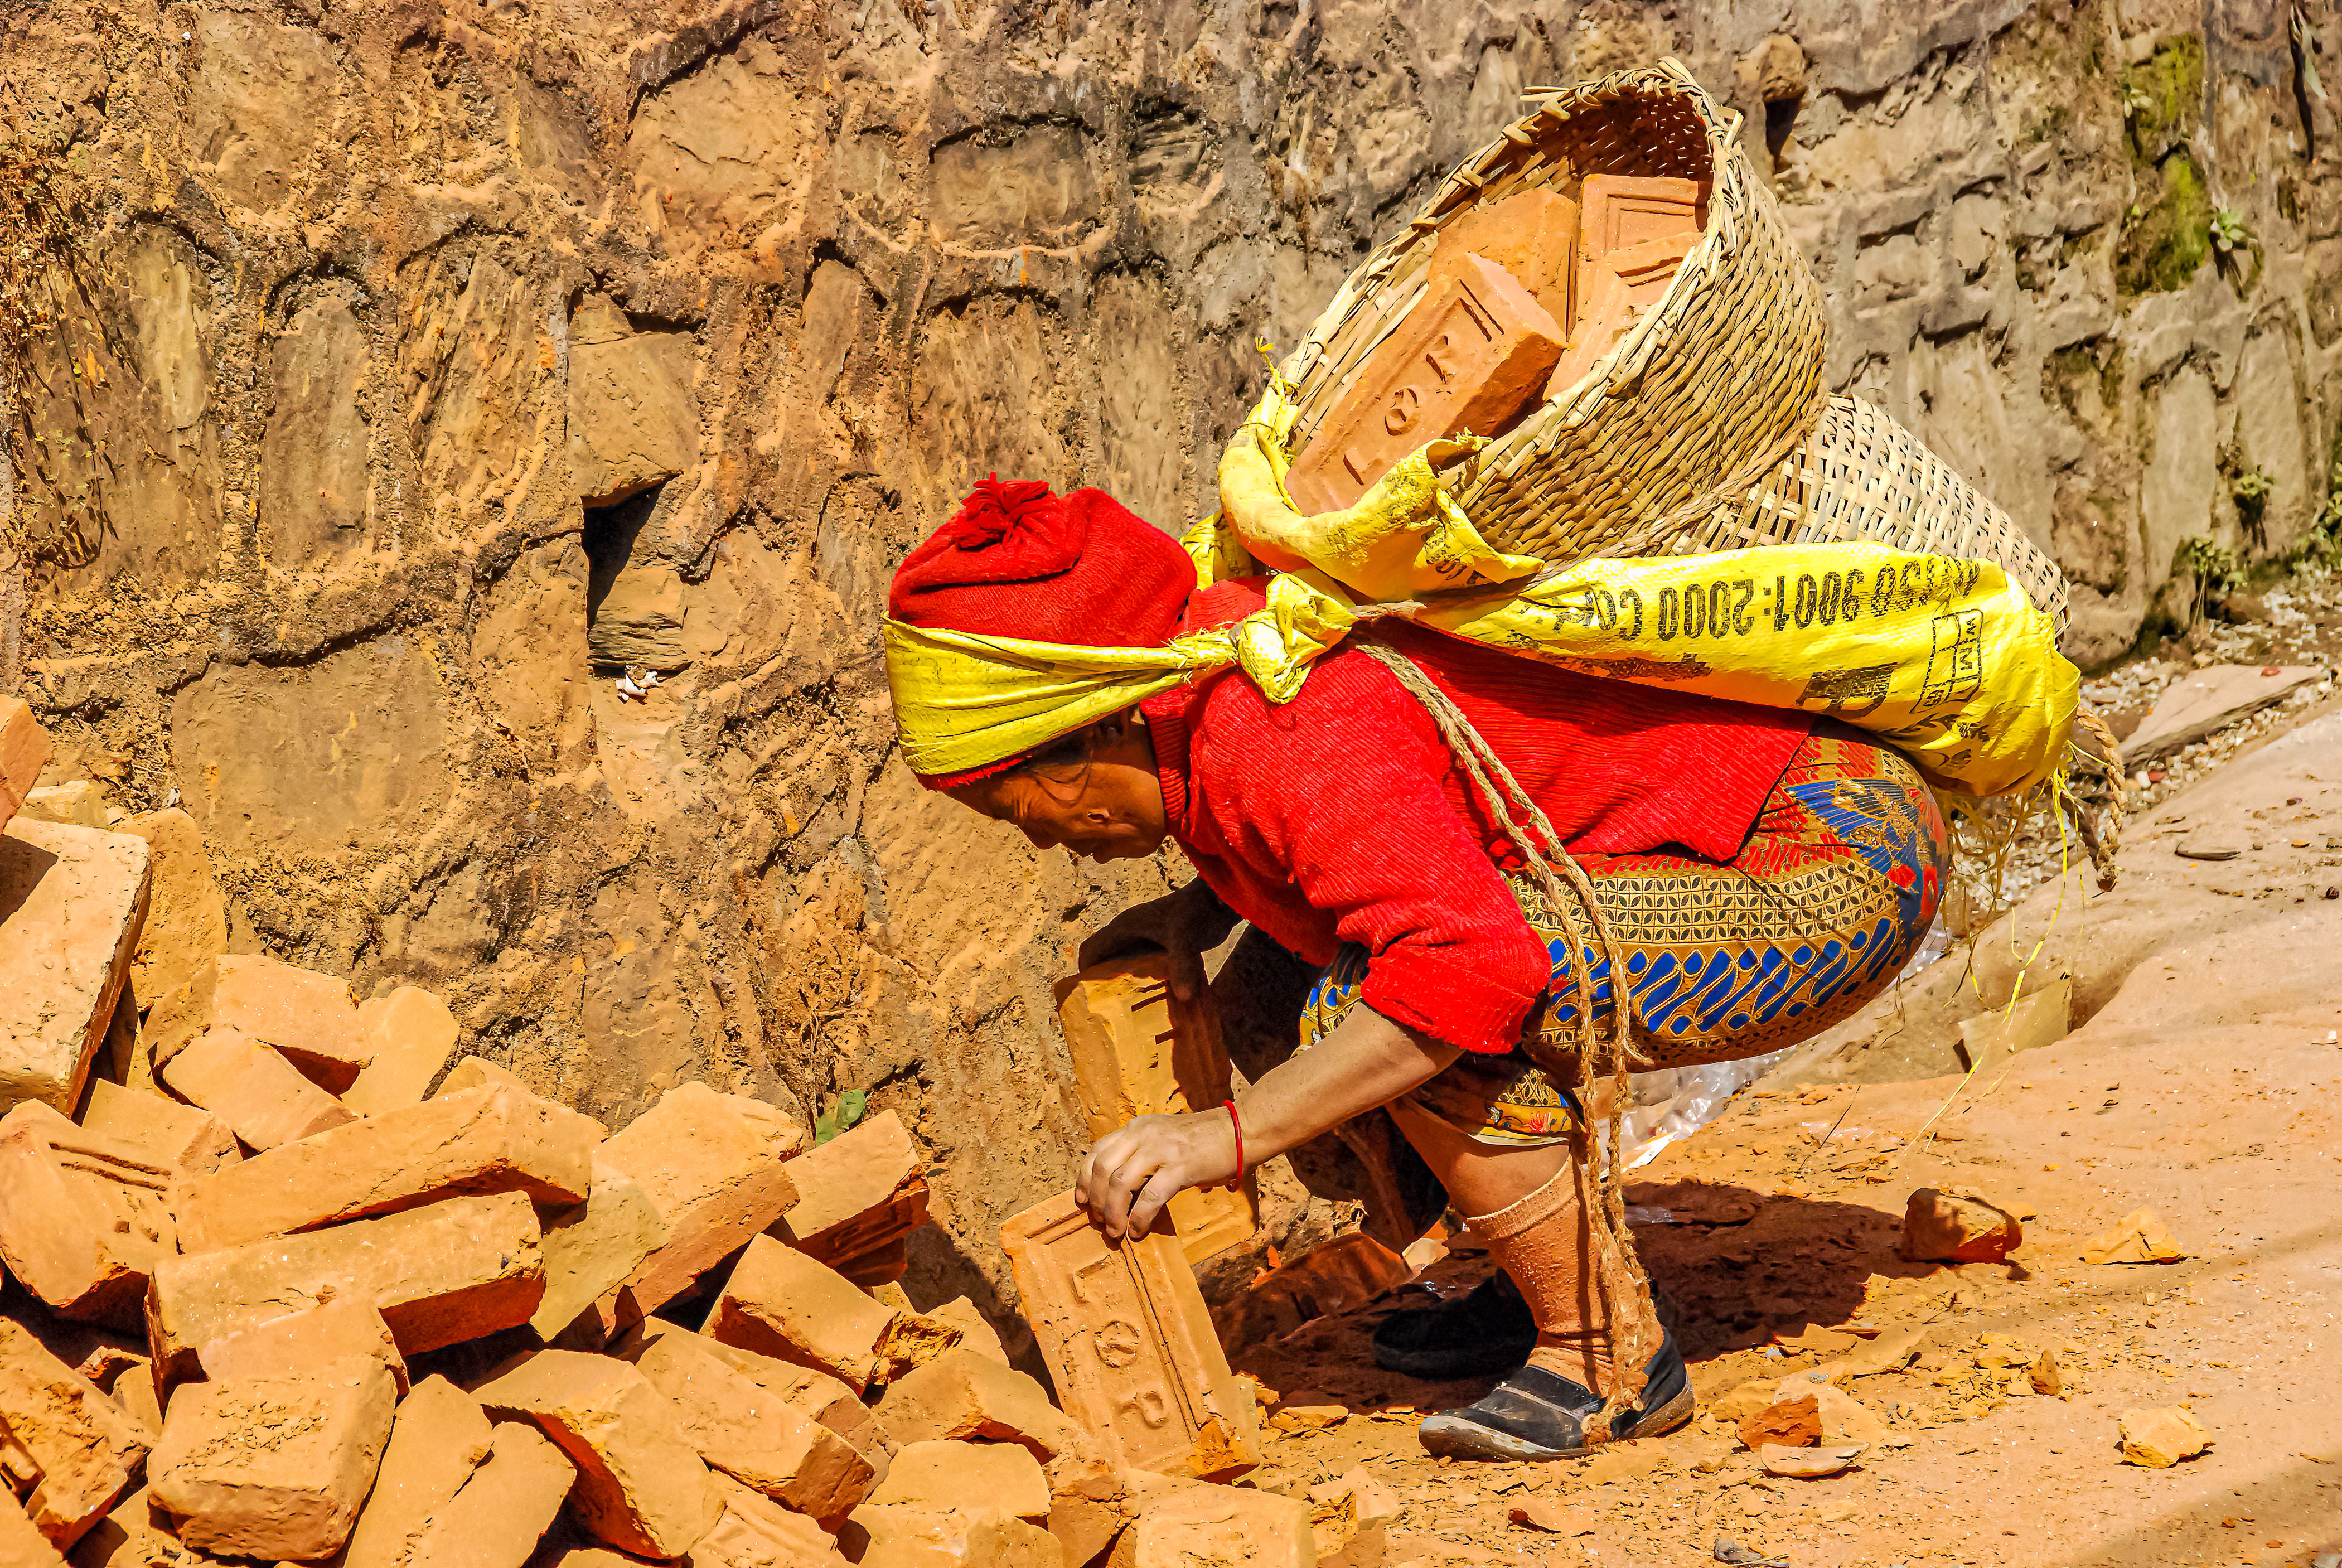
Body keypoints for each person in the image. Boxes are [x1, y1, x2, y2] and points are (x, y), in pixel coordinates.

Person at [887, 475, 1947, 1461]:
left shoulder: (1281, 726)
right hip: (1722, 840)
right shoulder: (1220, 692)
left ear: (1099, 727)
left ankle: (1606, 1352)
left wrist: (1224, 1136)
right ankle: (1522, 1271)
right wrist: (1198, 910)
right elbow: (1368, 829)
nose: (1031, 837)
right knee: (1273, 994)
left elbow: (1467, 963)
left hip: (1829, 859)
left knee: (1389, 999)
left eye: (1006, 803)